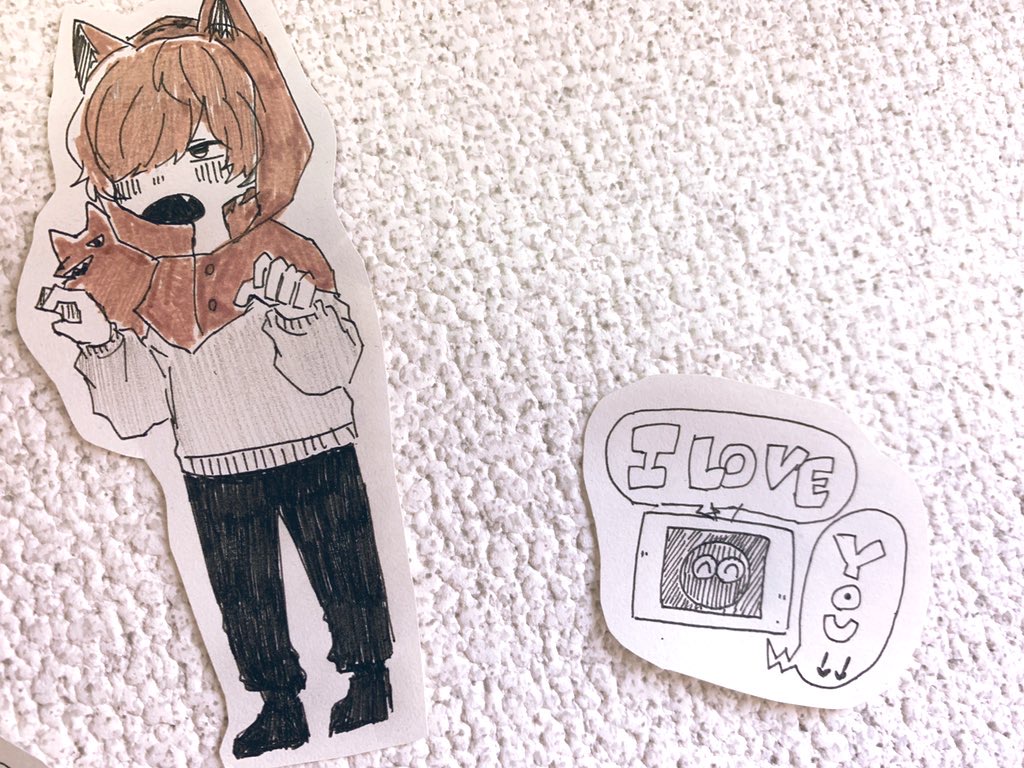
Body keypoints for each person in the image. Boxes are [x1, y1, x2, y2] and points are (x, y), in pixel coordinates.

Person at [37, 0, 394, 758]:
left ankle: (371, 679)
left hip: (316, 446)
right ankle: (275, 701)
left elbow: (336, 370)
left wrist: (299, 318)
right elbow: (135, 413)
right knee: (244, 593)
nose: (172, 184)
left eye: (200, 154)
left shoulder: (288, 251)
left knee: (346, 563)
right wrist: (101, 344)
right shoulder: (139, 284)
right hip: (212, 465)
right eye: (141, 172)